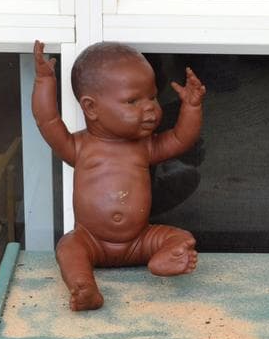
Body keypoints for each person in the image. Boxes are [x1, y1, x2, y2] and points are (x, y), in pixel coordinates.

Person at [32, 41, 207, 311]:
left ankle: (161, 260)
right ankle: (85, 288)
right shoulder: (79, 147)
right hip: (91, 240)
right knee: (68, 247)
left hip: (140, 240)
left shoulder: (145, 147)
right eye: (133, 101)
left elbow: (181, 139)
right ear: (91, 108)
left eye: (152, 97)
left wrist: (191, 108)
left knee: (180, 237)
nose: (150, 108)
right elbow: (47, 121)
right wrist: (44, 80)